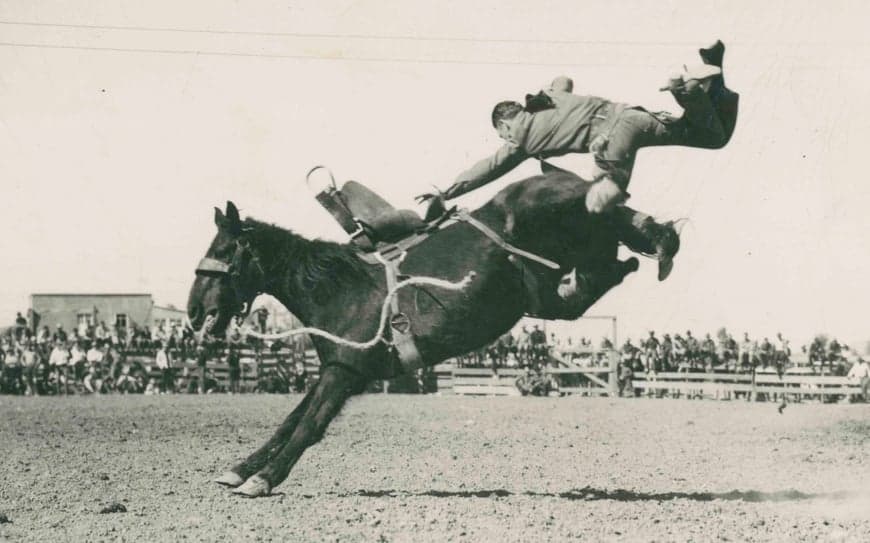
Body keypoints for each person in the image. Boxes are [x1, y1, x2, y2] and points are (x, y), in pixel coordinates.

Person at [423, 40, 738, 281]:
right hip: (631, 115)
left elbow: (488, 168)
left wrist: (447, 192)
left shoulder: (518, 137)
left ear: (505, 124)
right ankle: (696, 85)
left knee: (597, 204)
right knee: (711, 137)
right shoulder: (548, 96)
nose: (505, 140)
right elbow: (564, 79)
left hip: (612, 142)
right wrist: (547, 93)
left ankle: (652, 234)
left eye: (502, 134)